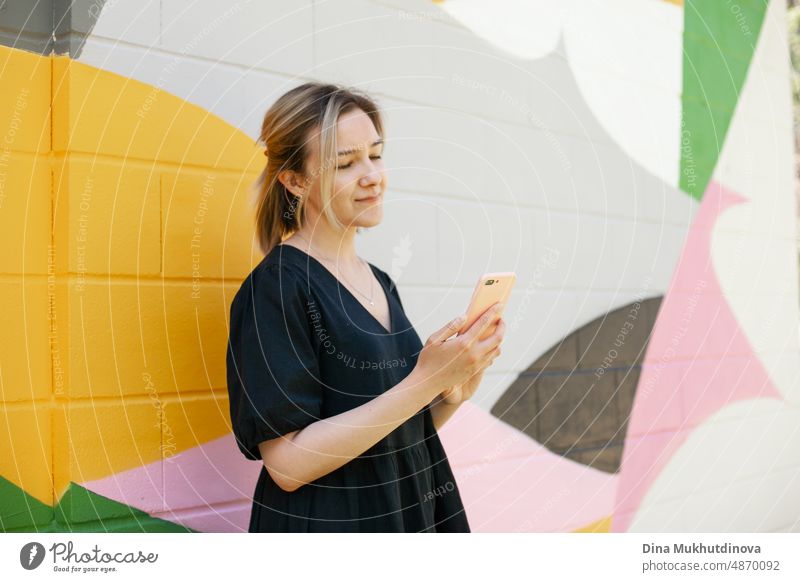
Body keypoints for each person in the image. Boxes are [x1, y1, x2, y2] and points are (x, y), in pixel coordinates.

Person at [225, 82, 506, 532]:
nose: (372, 174)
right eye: (345, 163)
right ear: (295, 181)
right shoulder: (277, 289)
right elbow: (288, 465)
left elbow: (396, 429)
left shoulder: (380, 281)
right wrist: (424, 380)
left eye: (375, 155)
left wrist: (452, 391)